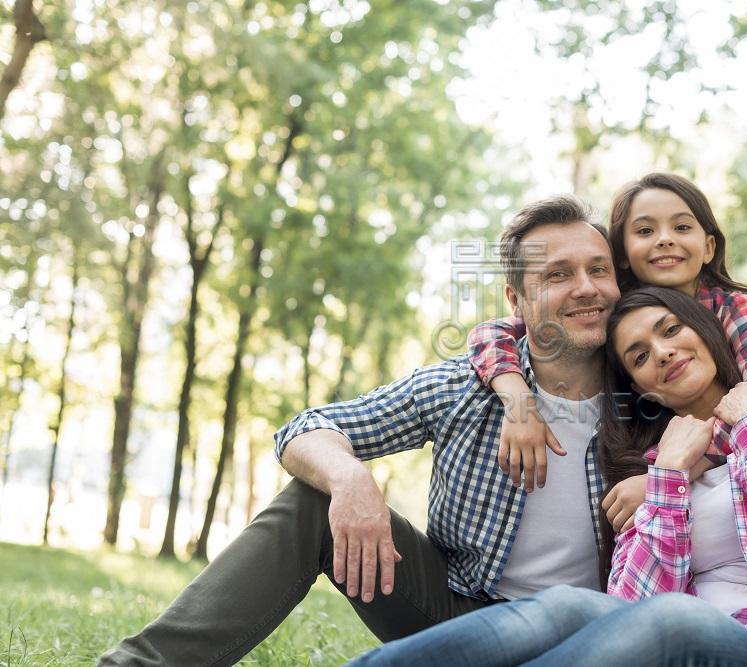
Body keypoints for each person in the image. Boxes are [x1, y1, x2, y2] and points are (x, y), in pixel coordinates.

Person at [99, 195, 621, 665]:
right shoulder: (461, 388)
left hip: (596, 639)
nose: (586, 288)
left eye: (599, 270)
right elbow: (307, 429)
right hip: (459, 614)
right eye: (557, 275)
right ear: (517, 300)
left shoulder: (656, 391)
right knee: (313, 499)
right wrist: (351, 481)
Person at [349, 286, 747, 667]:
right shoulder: (654, 470)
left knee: (680, 621)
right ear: (642, 389)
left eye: (670, 330)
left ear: (704, 330)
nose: (660, 352)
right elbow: (629, 610)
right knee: (570, 604)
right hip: (677, 645)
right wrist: (669, 476)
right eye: (639, 356)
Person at [468, 173, 747, 523]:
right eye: (645, 231)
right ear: (622, 255)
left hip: (742, 461)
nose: (665, 240)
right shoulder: (613, 312)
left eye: (682, 228)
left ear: (709, 247)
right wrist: (518, 397)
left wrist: (674, 472)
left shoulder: (732, 307)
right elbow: (492, 333)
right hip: (659, 451)